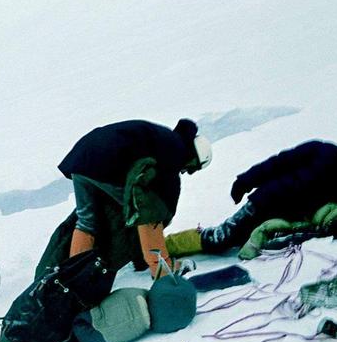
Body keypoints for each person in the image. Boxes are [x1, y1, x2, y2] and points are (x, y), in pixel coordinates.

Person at [38, 119, 212, 279]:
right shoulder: (173, 153)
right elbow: (154, 212)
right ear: (193, 157)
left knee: (86, 223)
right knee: (146, 214)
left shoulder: (165, 137)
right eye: (191, 168)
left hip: (83, 158)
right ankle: (162, 269)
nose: (186, 172)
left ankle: (76, 277)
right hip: (107, 165)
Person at [167, 138, 337, 255]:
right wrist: (245, 180)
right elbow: (279, 162)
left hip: (286, 219)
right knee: (222, 238)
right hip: (265, 201)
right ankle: (165, 246)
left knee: (240, 241)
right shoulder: (323, 151)